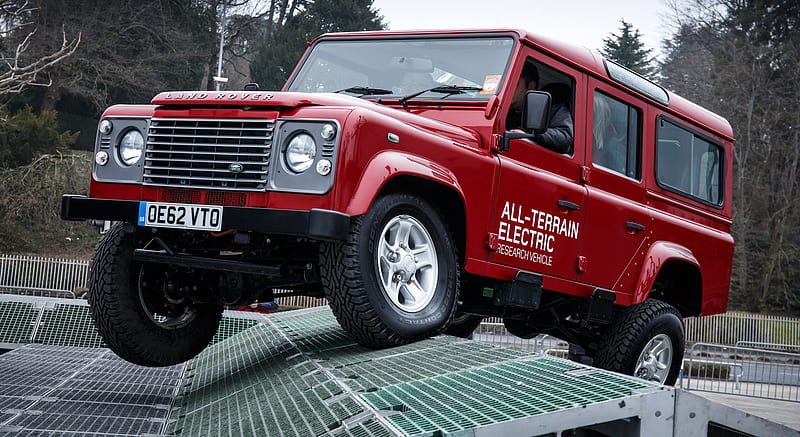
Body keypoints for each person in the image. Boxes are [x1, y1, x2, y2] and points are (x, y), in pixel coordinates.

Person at [506, 63, 573, 154]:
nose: (507, 88)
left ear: (530, 87)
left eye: (514, 83)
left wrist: (531, 134)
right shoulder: (502, 110)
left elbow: (564, 137)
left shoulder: (553, 109)